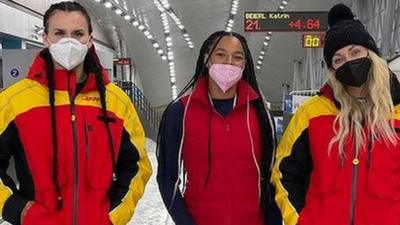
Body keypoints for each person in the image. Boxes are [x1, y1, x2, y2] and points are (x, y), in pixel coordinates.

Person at [0, 2, 152, 225]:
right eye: (59, 33)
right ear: (45, 38)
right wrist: (15, 208)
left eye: (78, 34)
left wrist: (114, 216)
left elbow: (138, 165)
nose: (68, 41)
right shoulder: (15, 101)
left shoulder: (116, 102)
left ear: (89, 40)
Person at [272, 4, 400, 225]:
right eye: (338, 59)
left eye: (355, 52)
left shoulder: (396, 112)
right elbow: (284, 173)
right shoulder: (311, 114)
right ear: (332, 70)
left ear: (372, 54)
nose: (349, 62)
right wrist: (300, 221)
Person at [157, 31, 277, 225]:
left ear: (244, 65)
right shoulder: (181, 112)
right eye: (221, 54)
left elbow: (273, 178)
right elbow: (167, 177)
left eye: (237, 57)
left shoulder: (260, 115)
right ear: (207, 60)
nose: (229, 62)